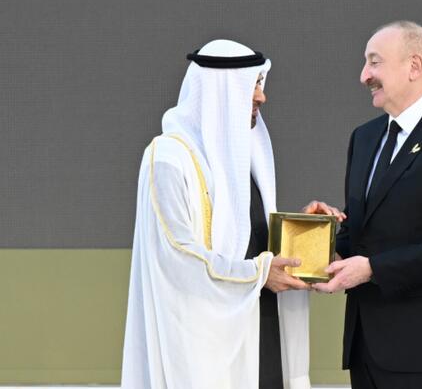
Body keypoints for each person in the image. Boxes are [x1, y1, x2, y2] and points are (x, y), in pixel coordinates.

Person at [305, 21, 422, 389]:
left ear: (414, 66)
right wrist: (316, 240)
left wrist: (373, 269)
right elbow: (358, 233)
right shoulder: (364, 138)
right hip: (364, 346)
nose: (364, 75)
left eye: (374, 62)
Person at [122, 39, 315, 389]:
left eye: (260, 84)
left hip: (259, 329)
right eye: (252, 85)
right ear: (220, 89)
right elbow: (177, 255)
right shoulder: (168, 158)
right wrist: (257, 274)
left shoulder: (245, 159)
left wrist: (307, 232)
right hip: (202, 345)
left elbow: (254, 242)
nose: (261, 97)